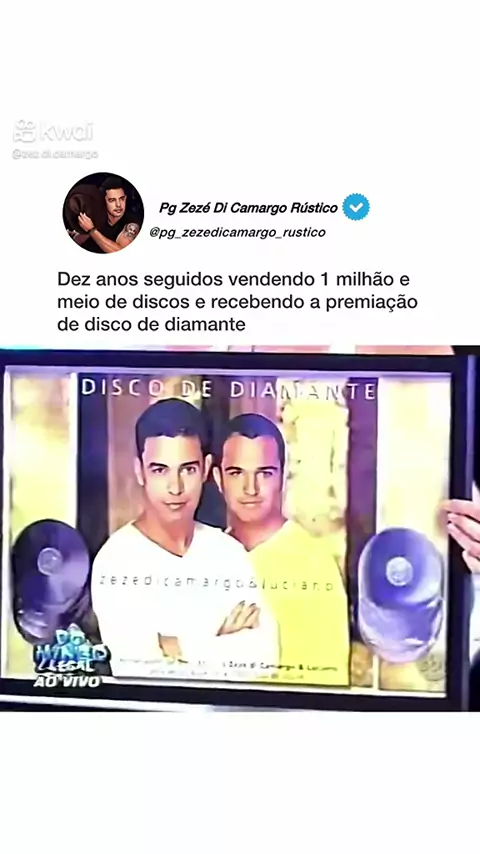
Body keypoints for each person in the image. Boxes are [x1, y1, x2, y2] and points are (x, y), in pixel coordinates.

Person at [91, 399, 278, 680]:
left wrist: (177, 647)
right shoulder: (116, 560)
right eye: (160, 470)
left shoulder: (228, 552)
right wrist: (222, 641)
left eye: (187, 469)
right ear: (140, 471)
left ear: (205, 469)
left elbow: (265, 657)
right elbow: (139, 672)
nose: (175, 487)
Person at [212, 413, 350, 686]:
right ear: (218, 478)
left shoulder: (314, 564)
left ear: (283, 477)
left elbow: (323, 690)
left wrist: (219, 652)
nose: (250, 488)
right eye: (236, 473)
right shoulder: (205, 557)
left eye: (264, 473)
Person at [69, 175, 141, 253]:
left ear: (126, 198)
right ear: (103, 201)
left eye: (121, 199)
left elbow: (121, 252)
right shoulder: (99, 216)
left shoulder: (132, 222)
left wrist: (92, 230)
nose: (118, 205)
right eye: (112, 200)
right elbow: (79, 239)